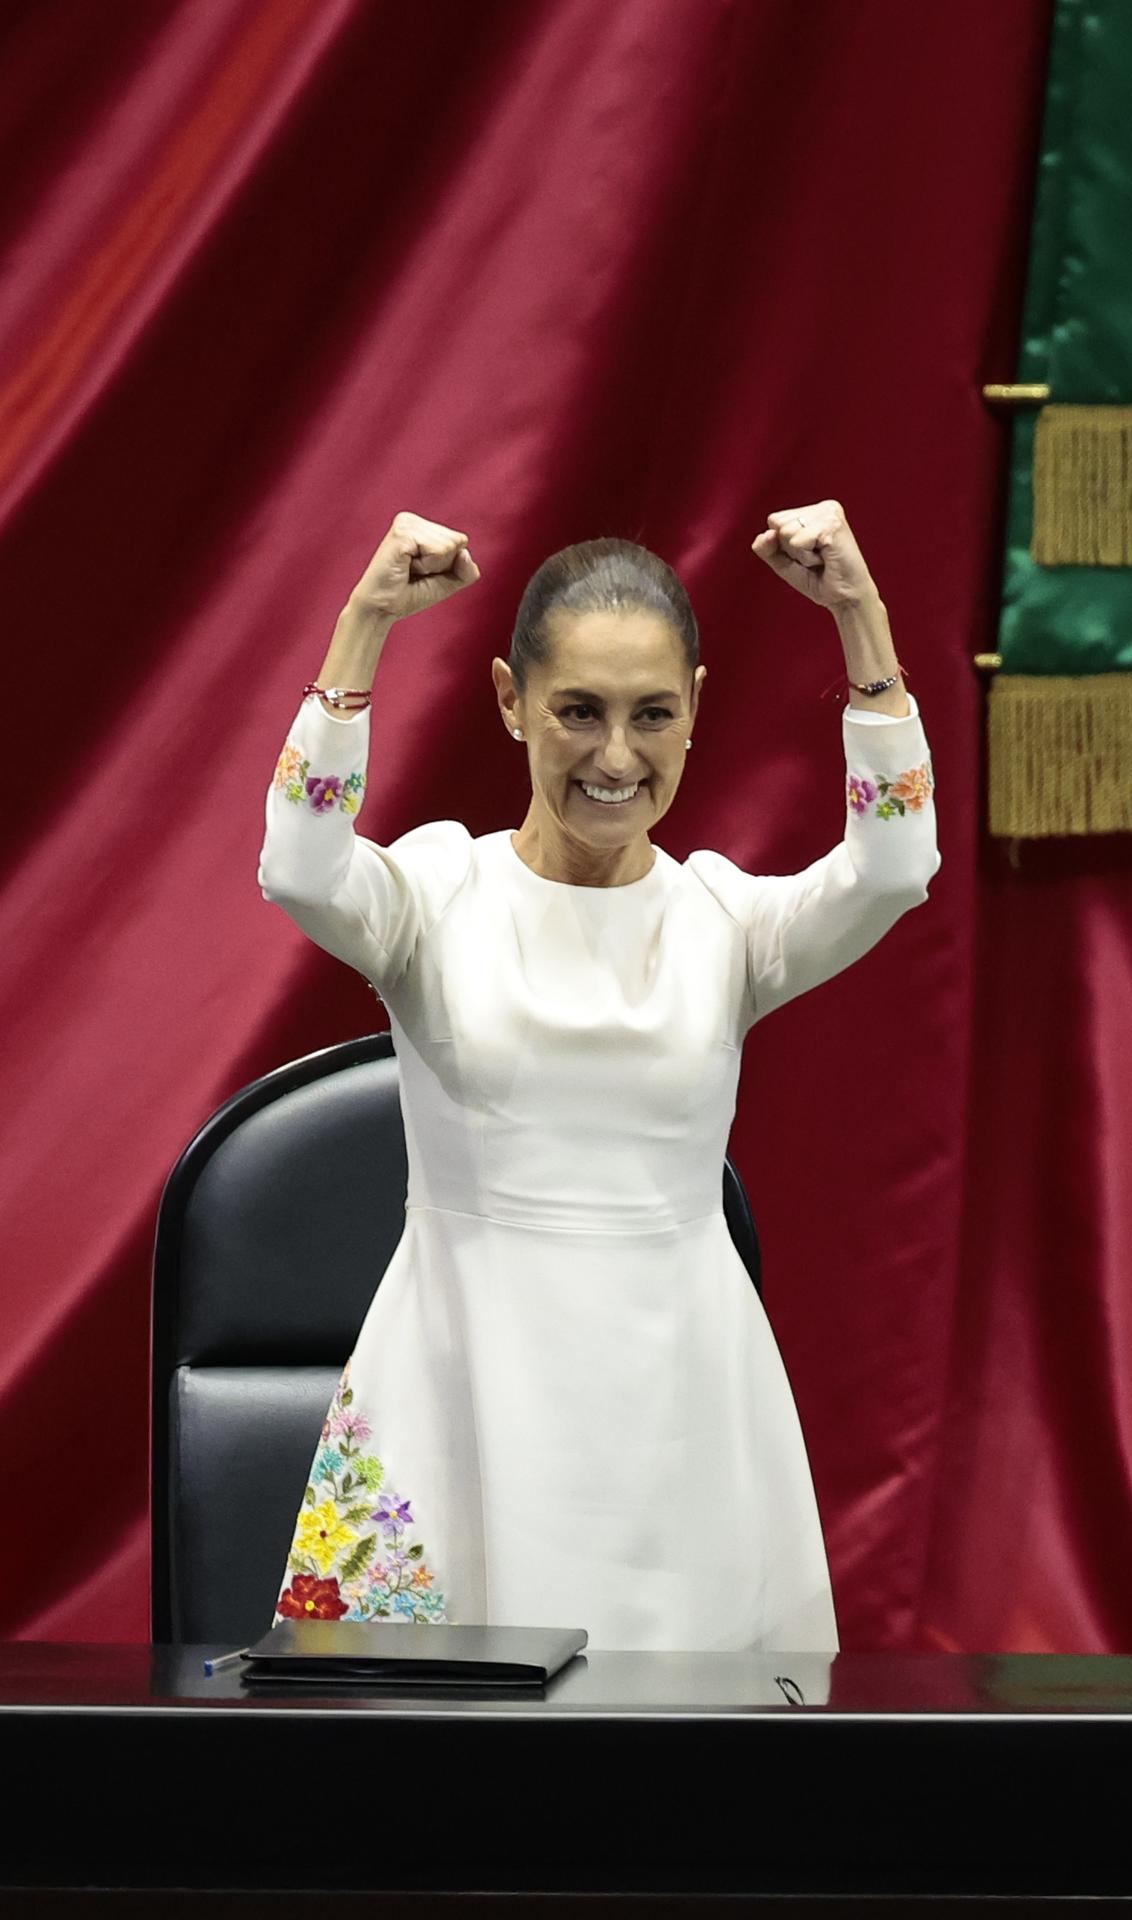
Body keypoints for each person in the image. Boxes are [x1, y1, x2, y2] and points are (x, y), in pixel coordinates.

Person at [257, 501, 939, 1651]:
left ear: (694, 714)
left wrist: (860, 624)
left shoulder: (726, 921)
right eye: (577, 710)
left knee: (685, 1789)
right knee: (418, 1774)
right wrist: (362, 629)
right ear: (509, 702)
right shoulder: (435, 898)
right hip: (458, 1379)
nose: (615, 756)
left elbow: (892, 868)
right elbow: (300, 867)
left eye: (650, 715)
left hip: (683, 1403)